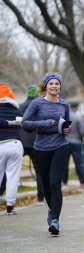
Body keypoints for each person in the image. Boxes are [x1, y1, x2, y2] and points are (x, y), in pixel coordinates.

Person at [22, 73, 70, 236]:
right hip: (41, 147)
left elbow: (66, 124)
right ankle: (52, 209)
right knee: (47, 185)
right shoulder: (37, 103)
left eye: (57, 84)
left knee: (55, 182)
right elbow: (25, 123)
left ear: (60, 86)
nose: (55, 86)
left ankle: (55, 220)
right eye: (52, 84)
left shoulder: (65, 105)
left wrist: (66, 129)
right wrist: (45, 123)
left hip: (60, 145)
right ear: (46, 86)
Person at [19, 84, 45, 205]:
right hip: (36, 142)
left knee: (11, 169)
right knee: (39, 171)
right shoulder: (40, 106)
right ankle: (41, 198)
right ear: (37, 93)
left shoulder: (20, 107)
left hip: (21, 141)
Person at [0, 84, 23, 215]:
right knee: (13, 176)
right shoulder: (16, 110)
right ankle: (10, 206)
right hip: (14, 144)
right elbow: (21, 125)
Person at [62, 102, 84, 187]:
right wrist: (81, 139)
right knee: (78, 163)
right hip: (76, 143)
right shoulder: (78, 118)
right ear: (77, 107)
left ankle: (64, 181)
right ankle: (82, 182)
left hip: (65, 142)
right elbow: (82, 131)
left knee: (65, 163)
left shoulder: (64, 117)